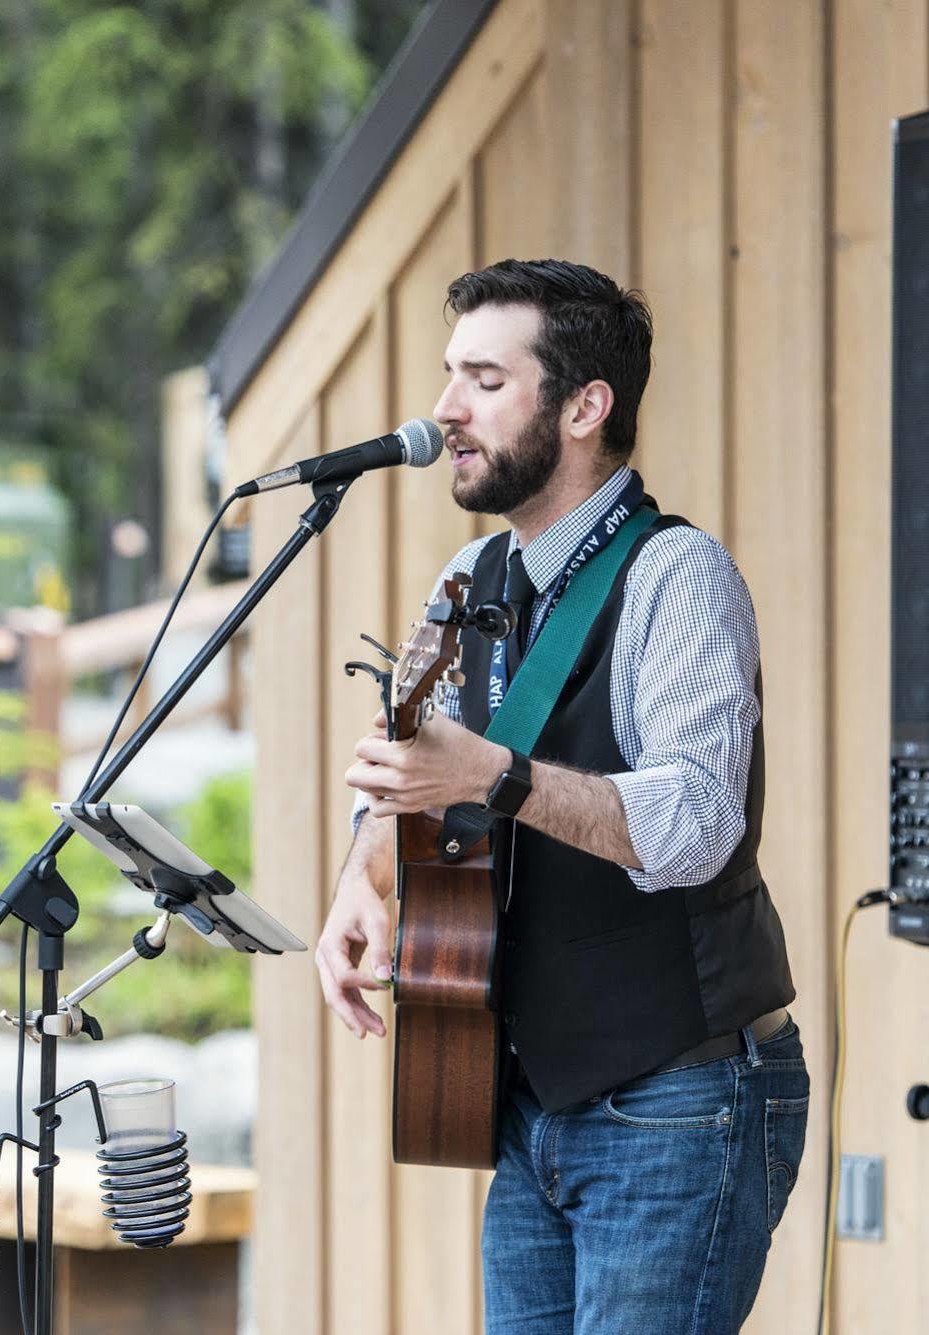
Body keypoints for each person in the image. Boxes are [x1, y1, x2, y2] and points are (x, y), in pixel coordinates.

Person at [315, 259, 804, 1333]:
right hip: (528, 1102)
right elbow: (410, 769)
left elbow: (694, 824)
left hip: (675, 1097)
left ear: (585, 407)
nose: (444, 409)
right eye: (450, 375)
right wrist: (365, 872)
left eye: (484, 380)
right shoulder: (465, 581)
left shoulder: (680, 579)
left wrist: (493, 776)